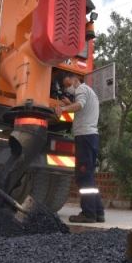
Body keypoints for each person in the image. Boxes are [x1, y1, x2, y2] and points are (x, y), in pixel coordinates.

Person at [55, 73, 104, 223]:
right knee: (88, 176)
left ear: (75, 80)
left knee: (83, 176)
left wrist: (63, 109)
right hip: (91, 137)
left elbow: (80, 105)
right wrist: (70, 103)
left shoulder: (81, 89)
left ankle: (88, 214)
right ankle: (98, 212)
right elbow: (82, 108)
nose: (66, 88)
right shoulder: (90, 92)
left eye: (67, 84)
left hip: (85, 137)